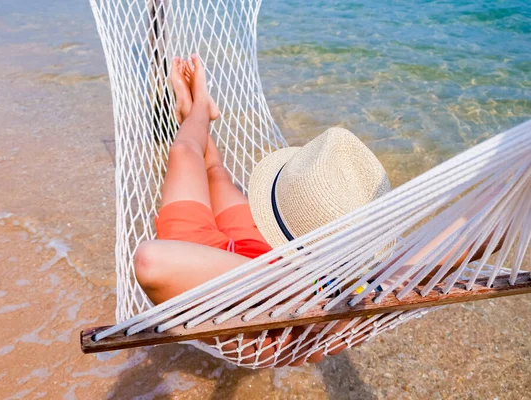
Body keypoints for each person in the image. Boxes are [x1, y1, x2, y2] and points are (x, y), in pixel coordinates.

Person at [134, 54, 498, 367]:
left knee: (184, 153)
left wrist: (295, 289)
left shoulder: (351, 300)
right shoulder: (357, 281)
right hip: (270, 255)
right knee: (216, 174)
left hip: (215, 283)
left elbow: (151, 261)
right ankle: (197, 111)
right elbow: (470, 229)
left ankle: (196, 110)